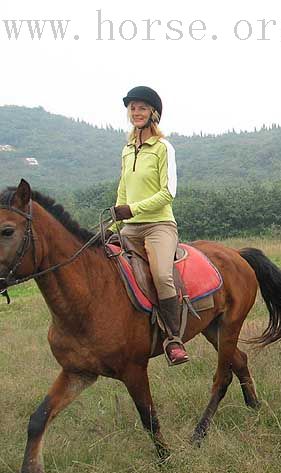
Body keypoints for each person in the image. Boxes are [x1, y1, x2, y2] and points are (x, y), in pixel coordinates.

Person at [111, 86, 189, 365]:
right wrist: (116, 218)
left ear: (153, 113)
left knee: (161, 274)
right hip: (129, 226)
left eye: (141, 107)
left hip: (159, 225)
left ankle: (173, 339)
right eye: (132, 108)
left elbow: (168, 193)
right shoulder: (127, 149)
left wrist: (133, 209)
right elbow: (124, 187)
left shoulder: (163, 148)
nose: (136, 112)